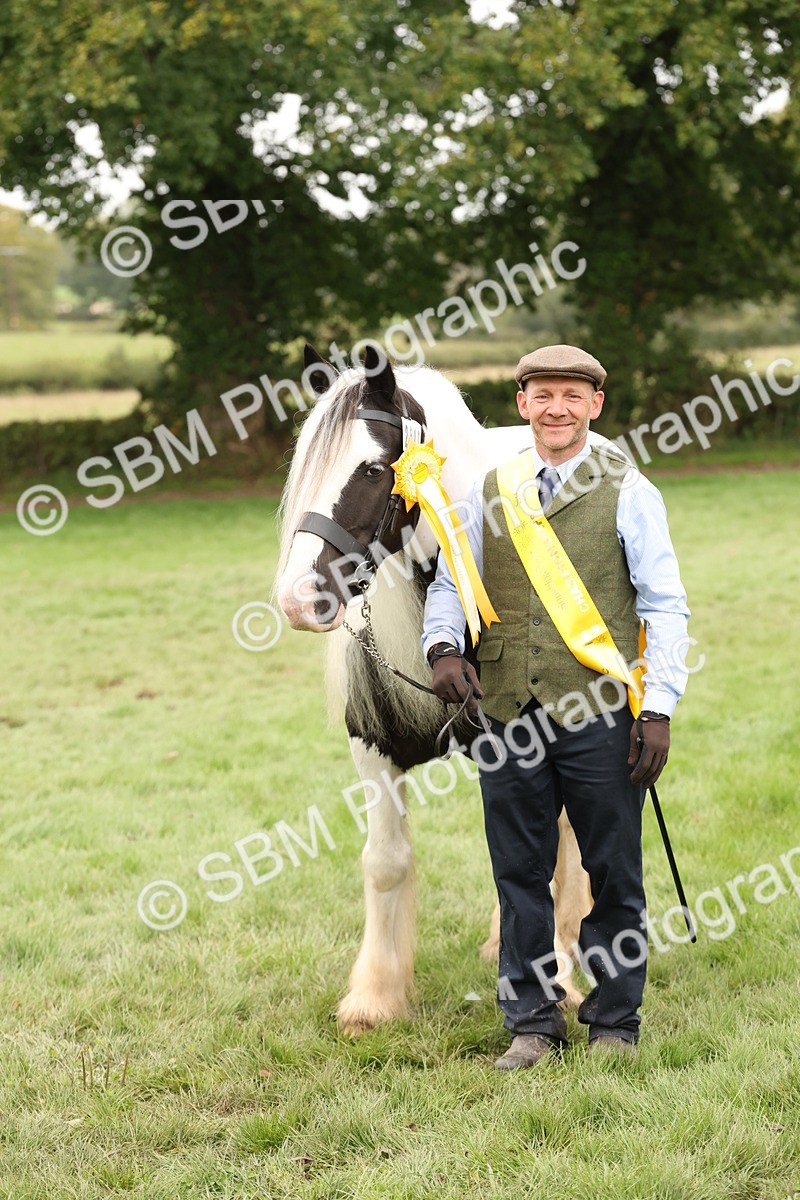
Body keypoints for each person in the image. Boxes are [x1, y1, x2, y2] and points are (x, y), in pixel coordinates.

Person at [422, 344, 690, 1067]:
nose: (558, 408)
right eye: (543, 395)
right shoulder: (488, 488)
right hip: (506, 708)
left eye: (573, 396)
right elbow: (454, 582)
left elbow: (665, 605)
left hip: (602, 709)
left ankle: (614, 1021)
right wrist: (443, 647)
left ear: (595, 405)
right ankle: (533, 1022)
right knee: (518, 871)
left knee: (613, 871)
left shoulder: (629, 489)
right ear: (522, 404)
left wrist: (658, 706)